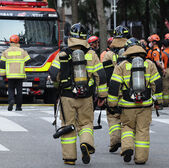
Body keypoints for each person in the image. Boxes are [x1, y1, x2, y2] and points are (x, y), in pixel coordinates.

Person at [48, 23, 108, 165]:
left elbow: (53, 74)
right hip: (86, 97)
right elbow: (101, 76)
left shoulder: (62, 54)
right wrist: (102, 96)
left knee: (68, 124)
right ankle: (86, 144)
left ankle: (69, 158)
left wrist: (59, 86)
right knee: (86, 123)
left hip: (67, 97)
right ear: (85, 38)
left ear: (71, 37)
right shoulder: (91, 55)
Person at [107, 40, 162, 164]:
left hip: (127, 106)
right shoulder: (149, 64)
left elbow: (114, 86)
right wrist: (158, 101)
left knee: (127, 127)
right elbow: (157, 83)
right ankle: (141, 159)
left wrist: (112, 104)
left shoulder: (121, 66)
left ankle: (127, 148)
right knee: (142, 130)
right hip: (145, 105)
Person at [102, 25, 129, 153]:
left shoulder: (108, 55)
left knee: (113, 117)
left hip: (113, 90)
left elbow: (106, 75)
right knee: (127, 119)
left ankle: (115, 141)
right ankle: (127, 144)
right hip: (129, 91)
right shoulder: (132, 53)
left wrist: (103, 93)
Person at [0, 34, 30, 111]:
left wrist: (2, 74)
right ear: (18, 42)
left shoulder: (5, 52)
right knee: (19, 90)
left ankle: (11, 100)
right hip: (20, 75)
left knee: (10, 89)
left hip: (10, 75)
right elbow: (29, 61)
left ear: (10, 42)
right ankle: (18, 107)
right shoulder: (23, 51)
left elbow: (2, 64)